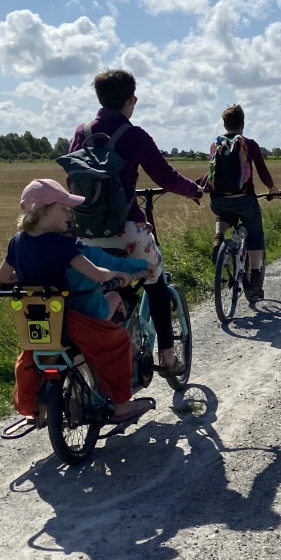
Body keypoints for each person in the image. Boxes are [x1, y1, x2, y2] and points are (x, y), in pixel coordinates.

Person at [68, 69, 202, 376]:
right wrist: (193, 190)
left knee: (98, 284)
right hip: (127, 229)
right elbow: (165, 176)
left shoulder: (81, 132)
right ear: (132, 99)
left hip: (86, 232)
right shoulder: (134, 135)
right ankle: (168, 359)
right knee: (156, 284)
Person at [0, 178, 154, 425]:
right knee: (115, 342)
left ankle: (33, 411)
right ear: (44, 211)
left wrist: (31, 278)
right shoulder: (61, 244)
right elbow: (97, 274)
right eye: (64, 208)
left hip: (37, 320)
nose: (69, 213)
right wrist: (119, 275)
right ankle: (122, 406)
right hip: (67, 317)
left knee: (32, 357)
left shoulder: (17, 242)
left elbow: (3, 277)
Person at [203, 103, 281, 302]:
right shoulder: (249, 144)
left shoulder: (216, 144)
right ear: (243, 124)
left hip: (219, 200)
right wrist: (272, 189)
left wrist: (197, 187)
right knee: (255, 233)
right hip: (245, 201)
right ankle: (255, 277)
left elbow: (212, 173)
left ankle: (219, 237)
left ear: (224, 124)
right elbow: (263, 172)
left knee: (223, 214)